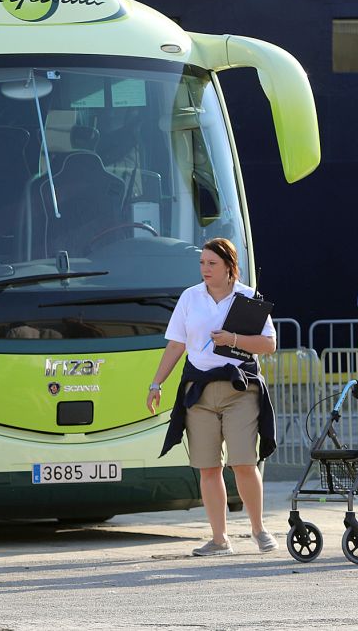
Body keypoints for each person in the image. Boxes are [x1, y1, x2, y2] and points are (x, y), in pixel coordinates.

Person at [147, 238, 278, 557]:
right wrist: (156, 383)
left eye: (212, 264)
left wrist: (233, 339)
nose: (205, 269)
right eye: (202, 264)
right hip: (199, 389)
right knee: (208, 467)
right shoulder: (190, 297)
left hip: (239, 389)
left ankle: (259, 529)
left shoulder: (248, 297)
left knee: (243, 461)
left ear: (230, 266)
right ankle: (219, 539)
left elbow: (269, 344)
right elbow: (176, 344)